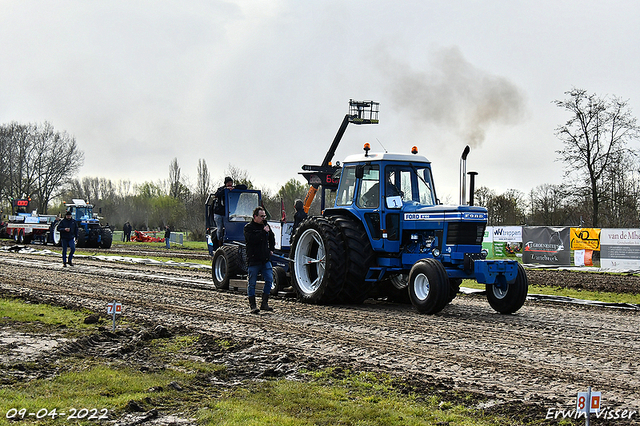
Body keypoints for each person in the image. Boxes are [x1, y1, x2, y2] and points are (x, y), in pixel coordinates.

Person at [243, 206, 275, 314]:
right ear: (255, 217)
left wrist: (271, 249)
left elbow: (272, 237)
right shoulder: (248, 228)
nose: (263, 218)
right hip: (253, 260)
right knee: (252, 283)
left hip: (265, 259)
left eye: (264, 216)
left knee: (269, 279)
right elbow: (252, 240)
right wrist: (262, 232)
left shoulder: (266, 226)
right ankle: (253, 305)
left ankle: (264, 303)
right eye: (261, 216)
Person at [213, 177, 234, 243]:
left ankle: (226, 242)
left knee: (229, 228)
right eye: (228, 183)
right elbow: (217, 194)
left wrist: (235, 188)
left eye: (231, 182)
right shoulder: (221, 189)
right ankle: (219, 242)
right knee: (219, 229)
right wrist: (225, 190)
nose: (230, 184)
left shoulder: (234, 189)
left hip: (228, 213)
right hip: (218, 213)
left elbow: (244, 187)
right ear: (225, 183)